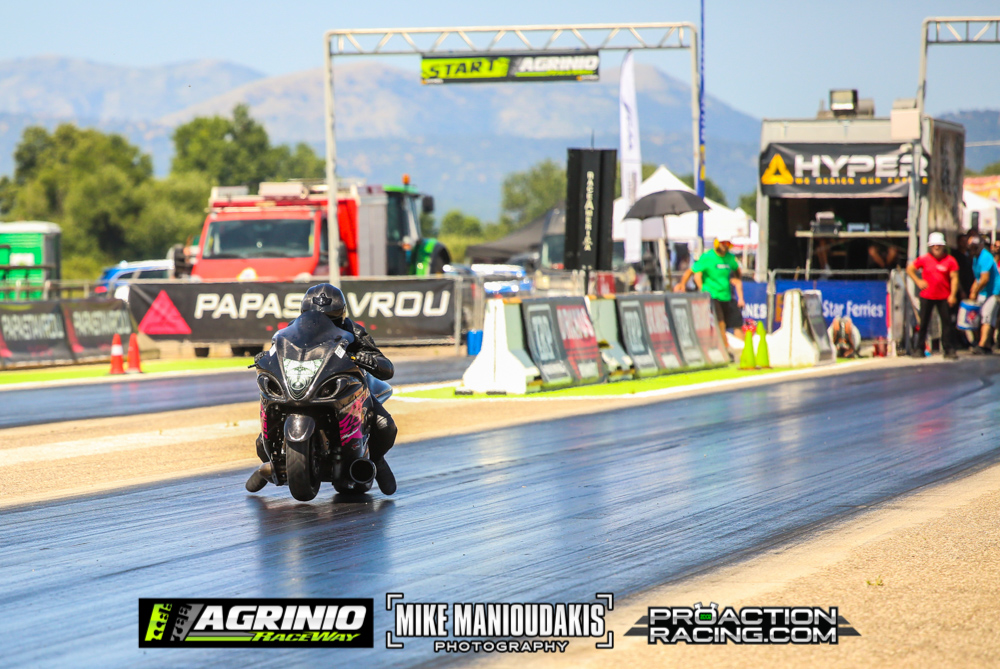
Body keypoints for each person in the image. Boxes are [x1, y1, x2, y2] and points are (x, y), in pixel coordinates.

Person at [252, 283, 399, 494]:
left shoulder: (354, 330)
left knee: (385, 426)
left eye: (331, 317)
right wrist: (266, 357)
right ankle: (271, 463)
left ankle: (377, 460)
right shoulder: (291, 332)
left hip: (345, 387)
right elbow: (276, 351)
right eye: (312, 315)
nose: (319, 322)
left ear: (341, 315)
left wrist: (370, 359)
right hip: (304, 383)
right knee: (262, 435)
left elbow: (386, 367)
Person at [673, 236, 745, 357]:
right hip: (712, 295)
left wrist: (736, 279)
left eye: (727, 244)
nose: (725, 247)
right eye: (723, 244)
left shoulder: (729, 258)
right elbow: (691, 271)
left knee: (737, 323)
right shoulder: (708, 257)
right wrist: (682, 284)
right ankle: (725, 350)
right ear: (716, 243)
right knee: (720, 323)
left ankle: (743, 351)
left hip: (726, 295)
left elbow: (737, 270)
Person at [906, 232, 959, 359]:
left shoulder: (950, 261)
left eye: (939, 245)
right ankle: (919, 349)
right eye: (934, 245)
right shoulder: (924, 259)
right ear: (930, 246)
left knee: (946, 324)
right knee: (923, 323)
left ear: (943, 246)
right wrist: (918, 281)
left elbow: (954, 278)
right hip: (927, 295)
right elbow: (910, 269)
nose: (936, 247)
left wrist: (953, 295)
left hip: (944, 296)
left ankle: (948, 349)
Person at [968, 235, 1000, 355]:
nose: (973, 250)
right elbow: (978, 278)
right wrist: (973, 290)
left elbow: (985, 279)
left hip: (993, 291)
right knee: (981, 316)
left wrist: (975, 291)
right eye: (971, 247)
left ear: (980, 246)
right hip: (984, 291)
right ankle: (986, 344)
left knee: (987, 316)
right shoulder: (976, 258)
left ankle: (982, 344)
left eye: (975, 247)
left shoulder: (985, 257)